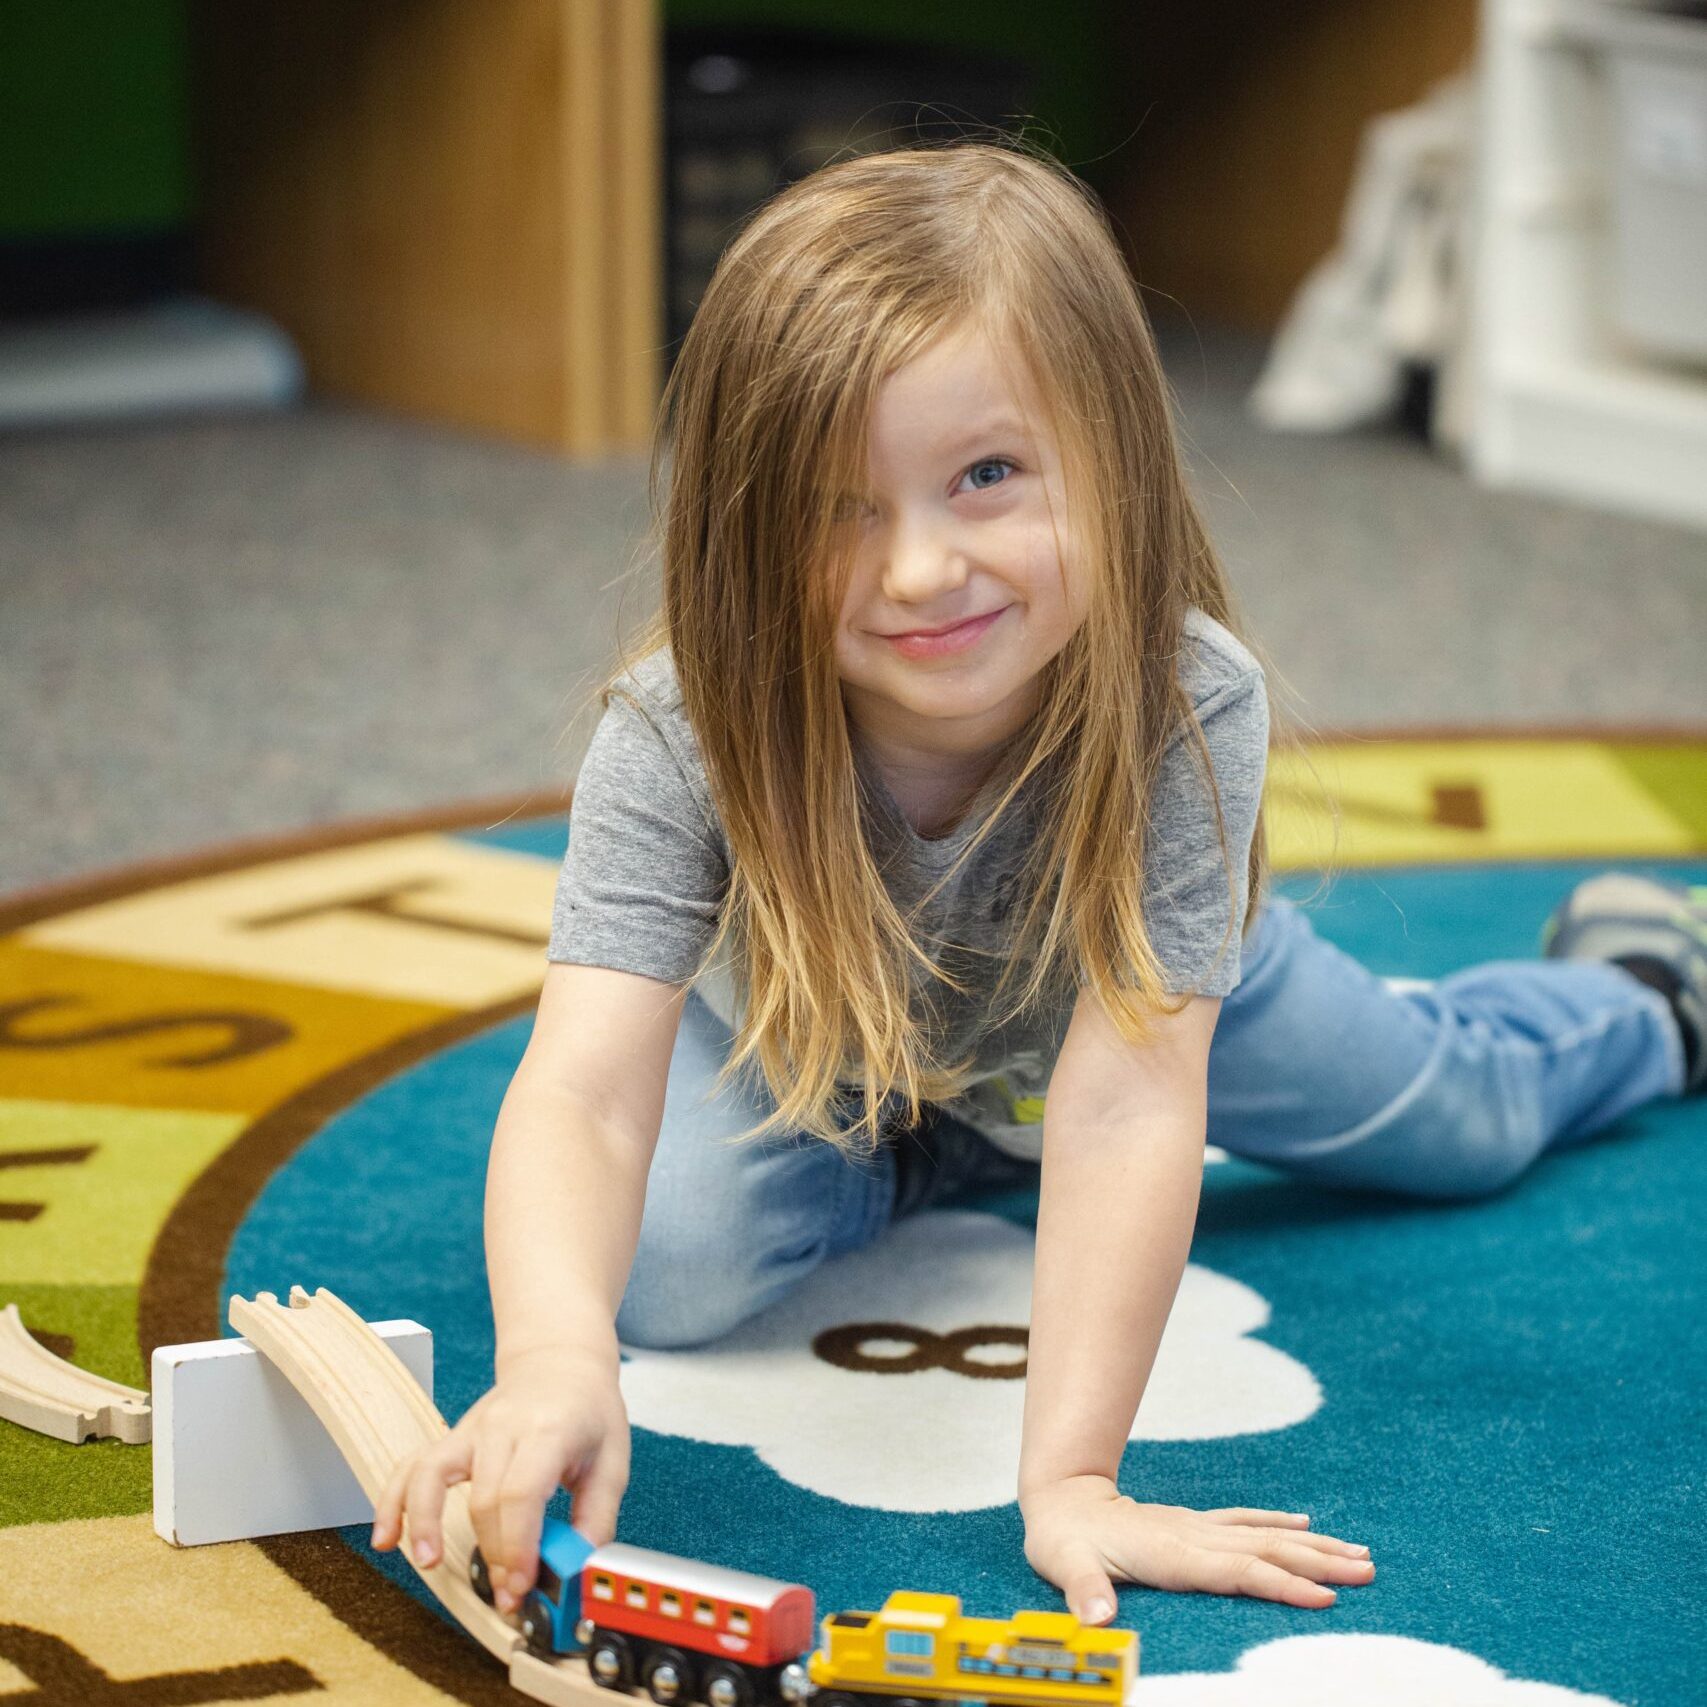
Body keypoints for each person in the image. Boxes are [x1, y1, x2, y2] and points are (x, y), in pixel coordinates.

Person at [371, 138, 1705, 1630]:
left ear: (1113, 462)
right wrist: (552, 1353)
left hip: (1146, 1002)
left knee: (1461, 1125)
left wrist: (1072, 1479)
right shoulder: (681, 729)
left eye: (987, 476)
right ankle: (965, 1141)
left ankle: (1647, 989)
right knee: (665, 1272)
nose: (923, 568)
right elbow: (586, 1089)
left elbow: (1134, 1097)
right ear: (743, 531)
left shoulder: (1186, 696)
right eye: (835, 505)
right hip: (825, 1044)